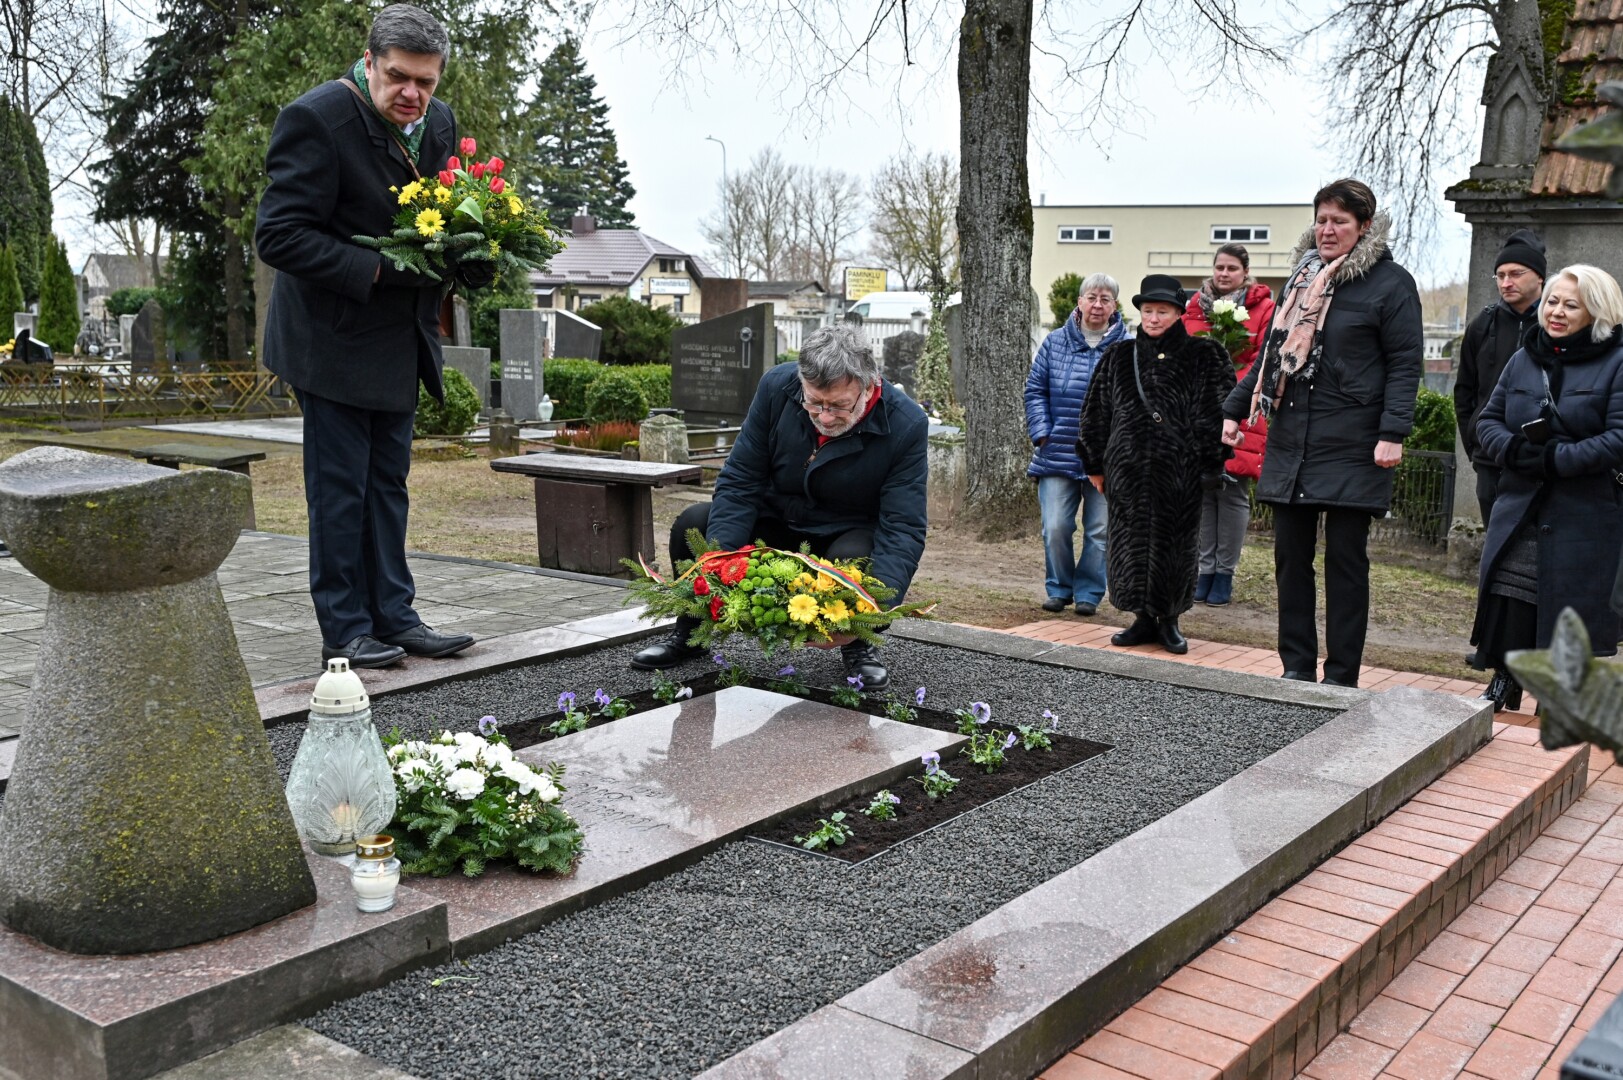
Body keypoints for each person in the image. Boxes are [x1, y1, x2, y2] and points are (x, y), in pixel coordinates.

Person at [256, 4, 489, 669]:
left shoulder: (437, 123)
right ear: (369, 62)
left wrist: (472, 252)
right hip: (329, 340)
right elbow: (278, 236)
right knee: (340, 492)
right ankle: (345, 630)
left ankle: (395, 615)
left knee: (387, 484)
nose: (412, 94)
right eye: (398, 78)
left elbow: (441, 214)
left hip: (398, 338)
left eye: (426, 82)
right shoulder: (317, 119)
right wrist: (379, 269)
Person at [630, 326, 928, 689]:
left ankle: (858, 645)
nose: (824, 417)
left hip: (843, 532)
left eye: (838, 405)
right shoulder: (777, 387)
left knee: (858, 557)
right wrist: (719, 567)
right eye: (814, 402)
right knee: (694, 524)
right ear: (801, 381)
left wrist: (871, 615)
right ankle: (693, 631)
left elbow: (902, 526)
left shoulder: (906, 424)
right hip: (775, 520)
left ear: (868, 387)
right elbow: (741, 478)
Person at [1223, 178, 1423, 687]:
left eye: (1340, 221)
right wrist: (1234, 408)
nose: (1327, 230)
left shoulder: (1392, 284)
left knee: (1345, 563)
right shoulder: (1301, 278)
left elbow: (1405, 364)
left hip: (1355, 441)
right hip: (1294, 437)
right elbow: (1272, 356)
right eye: (1321, 220)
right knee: (1290, 560)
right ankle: (1295, 666)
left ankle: (1341, 676)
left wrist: (1393, 431)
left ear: (1365, 227)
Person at [1469, 264, 1623, 711]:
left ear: (1596, 311)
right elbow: (1488, 420)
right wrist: (1514, 450)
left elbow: (1618, 437)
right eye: (1552, 301)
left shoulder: (1616, 361)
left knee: (1570, 598)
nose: (1556, 311)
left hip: (1583, 506)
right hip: (1521, 501)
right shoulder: (1524, 357)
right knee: (1511, 588)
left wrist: (1558, 459)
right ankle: (1505, 676)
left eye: (1571, 305)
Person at [1077, 274, 1235, 655]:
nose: (1153, 318)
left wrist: (1210, 463)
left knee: (1175, 546)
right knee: (1128, 542)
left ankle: (1170, 620)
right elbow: (1095, 412)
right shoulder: (1119, 356)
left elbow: (1218, 412)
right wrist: (1095, 463)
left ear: (1179, 313)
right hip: (1127, 473)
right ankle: (1141, 618)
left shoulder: (1204, 356)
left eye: (1162, 311)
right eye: (1148, 310)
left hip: (1179, 473)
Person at [1025, 273, 1126, 616]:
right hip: (1058, 451)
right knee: (1055, 527)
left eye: (1105, 299)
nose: (1097, 305)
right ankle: (1059, 588)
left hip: (1107, 458)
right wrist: (1043, 432)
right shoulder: (1055, 342)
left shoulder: (1127, 347)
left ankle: (1088, 593)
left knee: (1099, 531)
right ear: (1079, 302)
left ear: (1114, 306)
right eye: (1091, 297)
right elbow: (1035, 391)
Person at [1182, 244, 1276, 607]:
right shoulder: (1195, 306)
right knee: (1204, 491)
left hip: (1241, 407)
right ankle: (1204, 569)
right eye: (1219, 267)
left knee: (1232, 491)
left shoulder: (1263, 307)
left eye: (1232, 268)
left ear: (1245, 271)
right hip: (1198, 409)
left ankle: (1224, 573)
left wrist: (1228, 387)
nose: (1224, 273)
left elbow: (1263, 358)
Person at [1454, 230, 1548, 528]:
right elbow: (1465, 391)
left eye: (1516, 274)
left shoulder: (1556, 323)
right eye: (1500, 275)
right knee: (1495, 540)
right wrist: (1475, 445)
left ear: (1540, 277)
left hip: (1542, 457)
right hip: (1490, 458)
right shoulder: (1482, 325)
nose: (1506, 282)